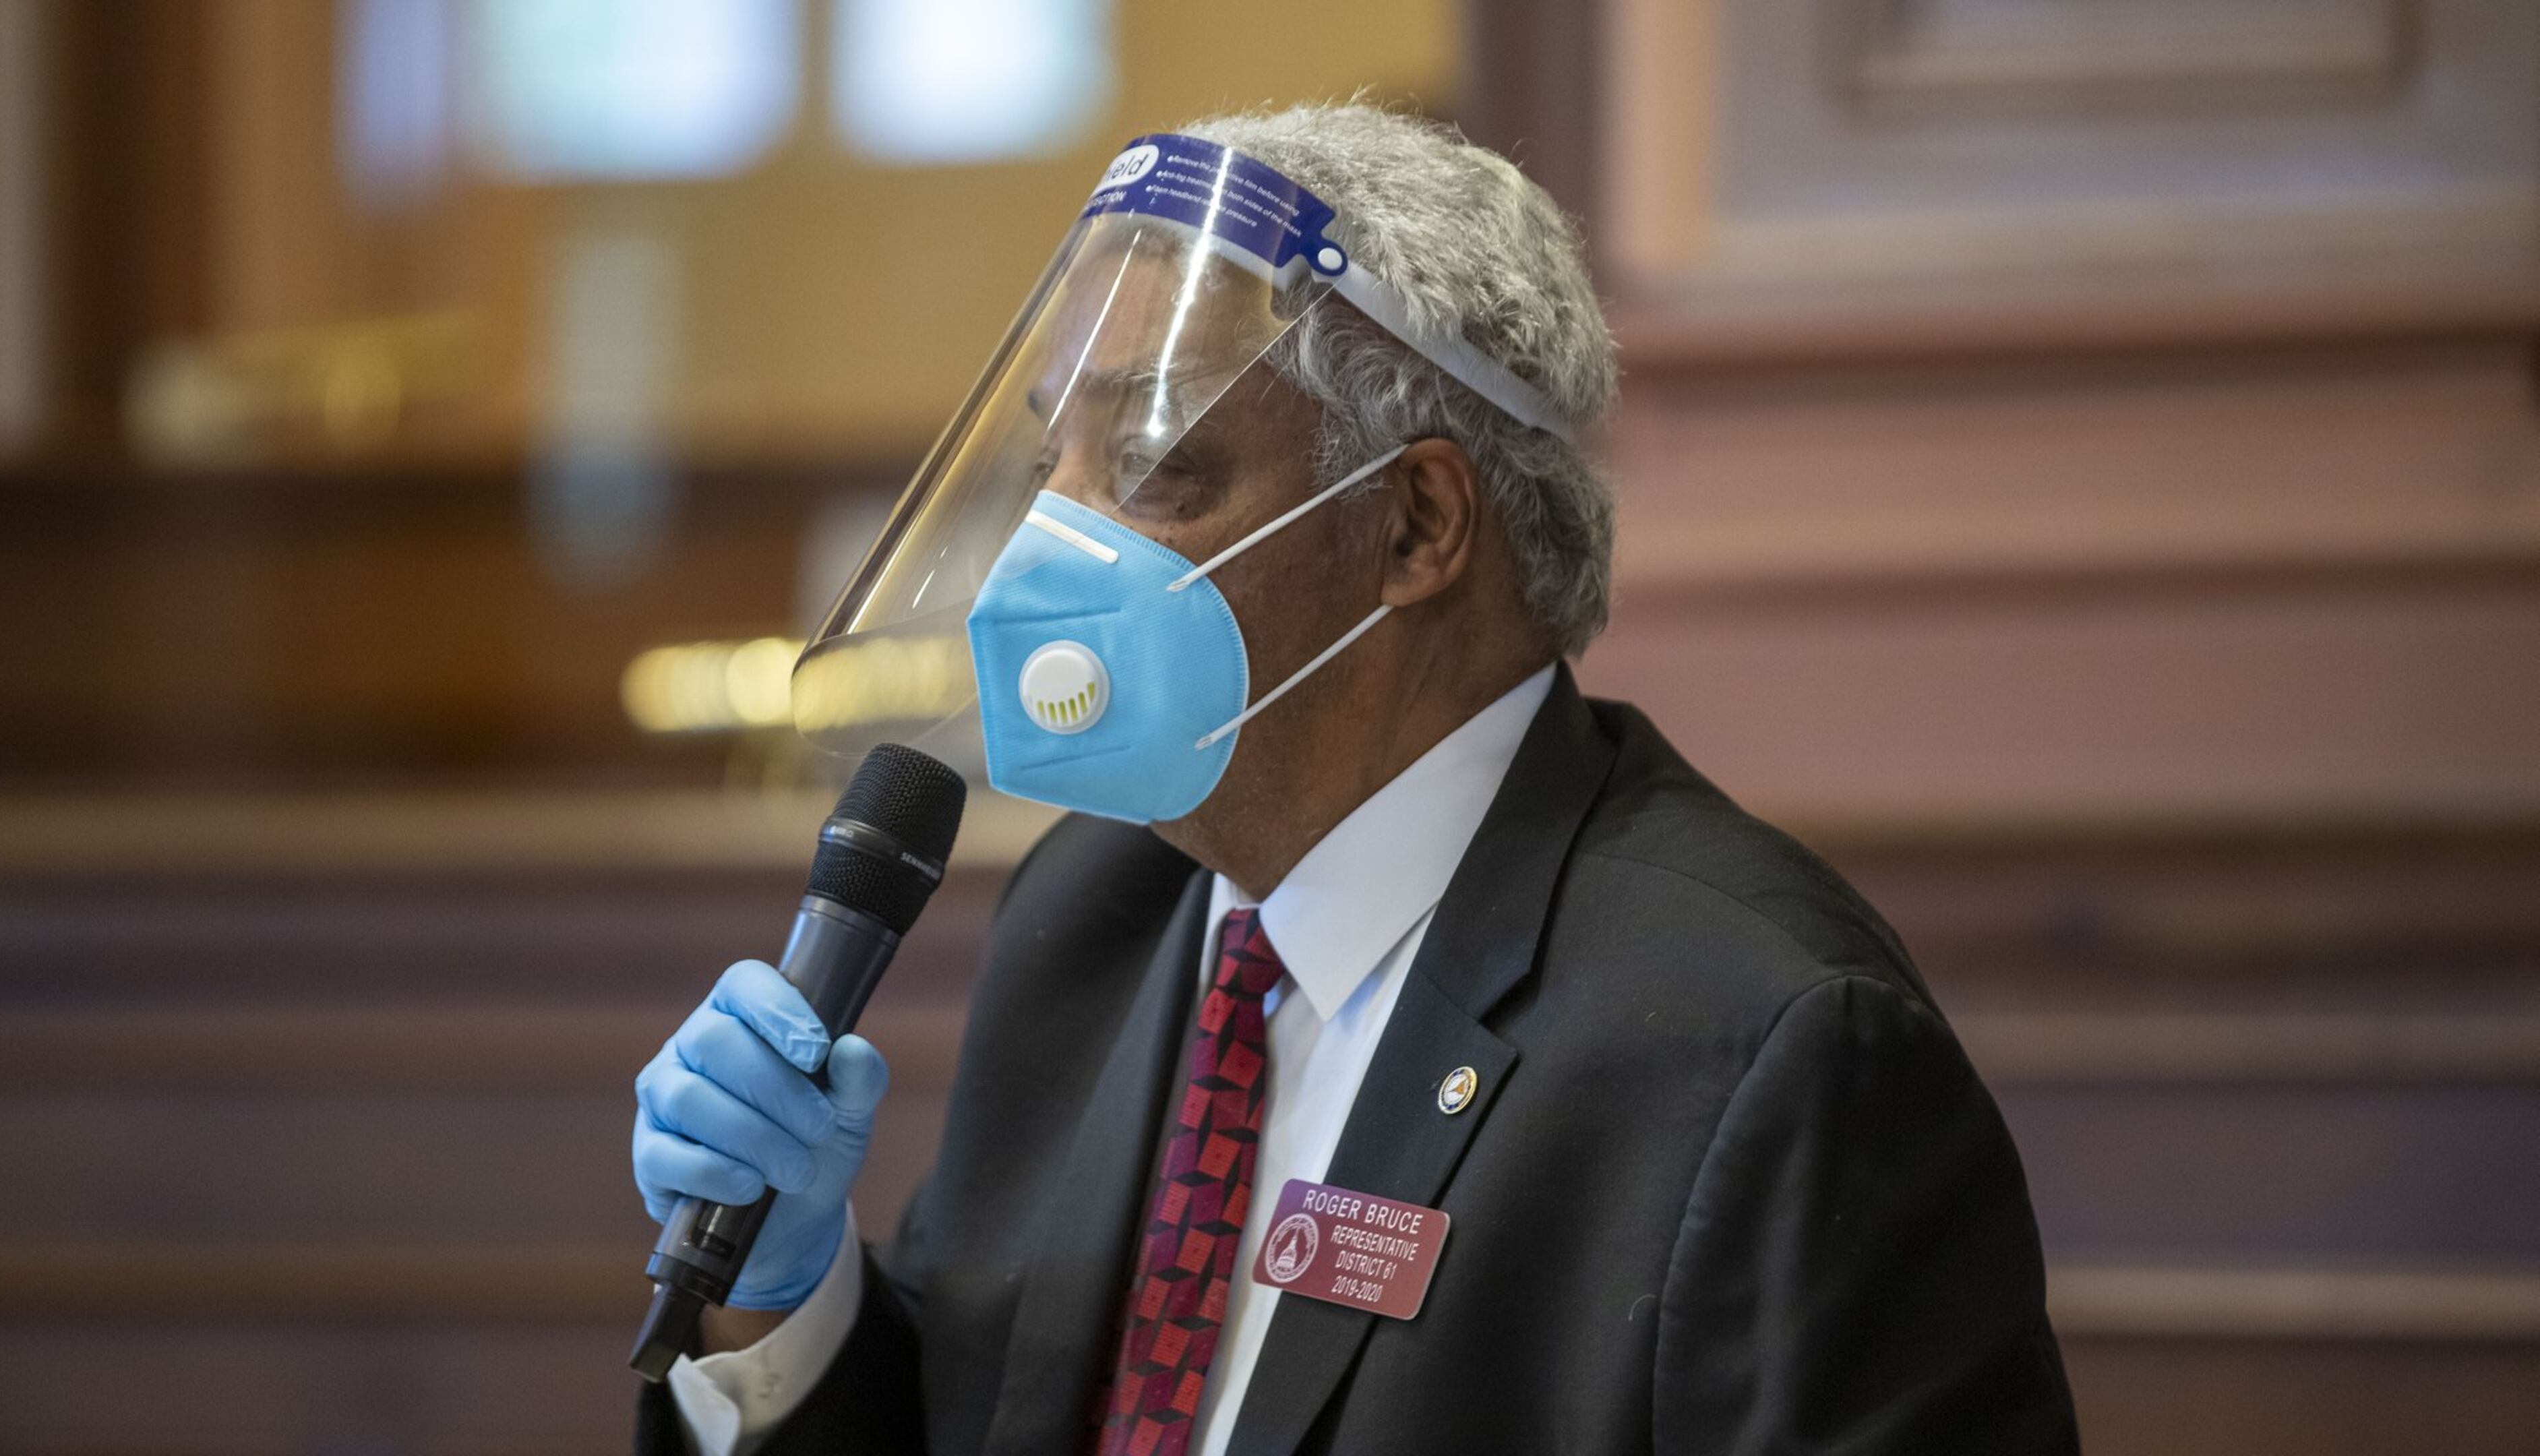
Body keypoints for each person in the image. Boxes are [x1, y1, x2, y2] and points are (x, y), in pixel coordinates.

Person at [630, 103, 2079, 1456]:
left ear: (1413, 525)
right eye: (1045, 466)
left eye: (1150, 464)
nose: (1043, 551)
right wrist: (780, 1302)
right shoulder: (1096, 909)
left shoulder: (1769, 1041)